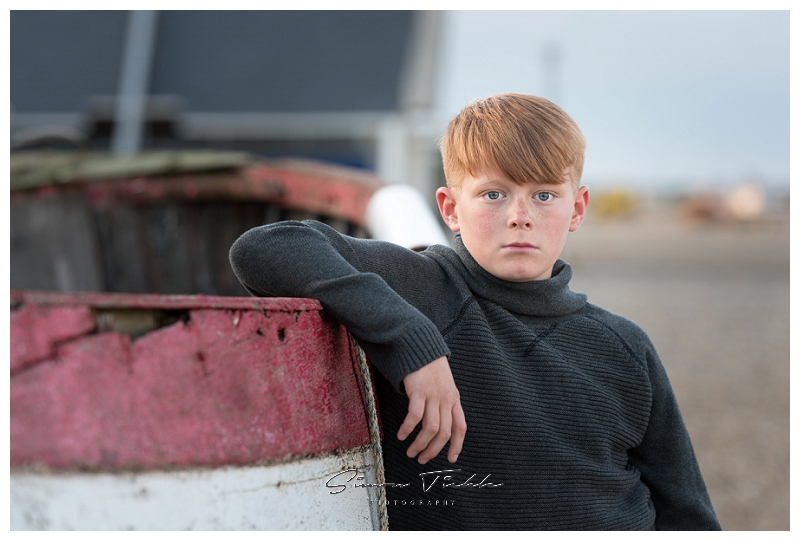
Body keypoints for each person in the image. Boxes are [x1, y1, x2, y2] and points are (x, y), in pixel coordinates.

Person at [229, 93, 720, 530]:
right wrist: (412, 343)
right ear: (449, 209)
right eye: (493, 194)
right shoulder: (425, 286)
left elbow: (687, 511)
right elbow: (266, 247)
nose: (520, 214)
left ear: (577, 208)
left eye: (545, 195)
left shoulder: (624, 346)